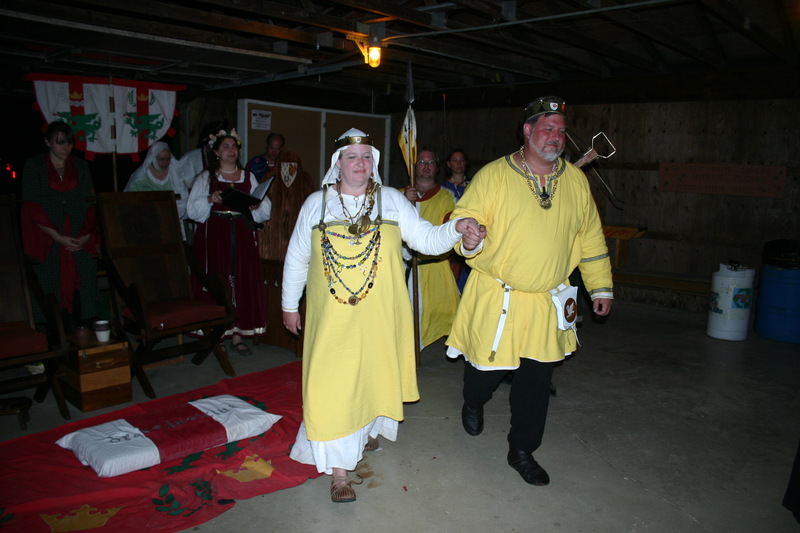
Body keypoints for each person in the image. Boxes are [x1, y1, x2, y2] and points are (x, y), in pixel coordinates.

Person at [282, 128, 484, 503]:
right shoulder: (316, 204)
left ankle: (366, 430)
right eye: (351, 156)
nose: (359, 163)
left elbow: (426, 239)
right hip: (333, 323)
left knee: (373, 379)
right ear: (337, 164)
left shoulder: (391, 200)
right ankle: (340, 473)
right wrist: (289, 305)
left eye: (366, 156)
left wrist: (456, 228)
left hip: (381, 317)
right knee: (334, 387)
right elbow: (297, 257)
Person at [446, 96, 613, 486]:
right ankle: (473, 401)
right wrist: (469, 237)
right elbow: (464, 219)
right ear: (527, 130)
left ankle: (522, 450)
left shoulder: (575, 181)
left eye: (561, 130)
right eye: (547, 128)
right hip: (498, 296)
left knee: (535, 383)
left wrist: (600, 287)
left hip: (545, 302)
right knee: (485, 373)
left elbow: (590, 238)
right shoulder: (493, 175)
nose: (555, 137)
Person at [187, 129, 271, 355]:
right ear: (216, 152)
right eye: (225, 146)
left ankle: (237, 335)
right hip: (215, 235)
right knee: (218, 280)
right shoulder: (207, 177)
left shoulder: (248, 176)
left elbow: (265, 207)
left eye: (234, 146)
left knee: (240, 280)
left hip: (242, 233)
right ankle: (217, 334)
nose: (231, 150)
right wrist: (209, 198)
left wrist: (256, 205)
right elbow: (192, 210)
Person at [21, 121, 99, 332]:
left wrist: (85, 234)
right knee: (51, 286)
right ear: (48, 142)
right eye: (60, 143)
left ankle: (82, 333)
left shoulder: (80, 166)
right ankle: (55, 337)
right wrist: (56, 236)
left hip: (77, 236)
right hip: (48, 238)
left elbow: (90, 202)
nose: (66, 147)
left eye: (69, 143)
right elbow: (32, 206)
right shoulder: (35, 166)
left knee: (82, 284)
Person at [402, 146, 461, 348]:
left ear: (437, 168)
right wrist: (404, 203)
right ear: (413, 167)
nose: (426, 166)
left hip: (435, 268)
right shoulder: (398, 196)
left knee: (445, 314)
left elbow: (451, 232)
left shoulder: (447, 197)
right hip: (403, 268)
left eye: (430, 162)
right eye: (421, 162)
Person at [125, 141, 189, 228]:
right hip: (145, 220)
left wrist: (175, 213)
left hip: (171, 219)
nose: (165, 162)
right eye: (162, 159)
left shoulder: (175, 174)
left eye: (168, 159)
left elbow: (183, 197)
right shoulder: (141, 176)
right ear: (154, 158)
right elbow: (129, 197)